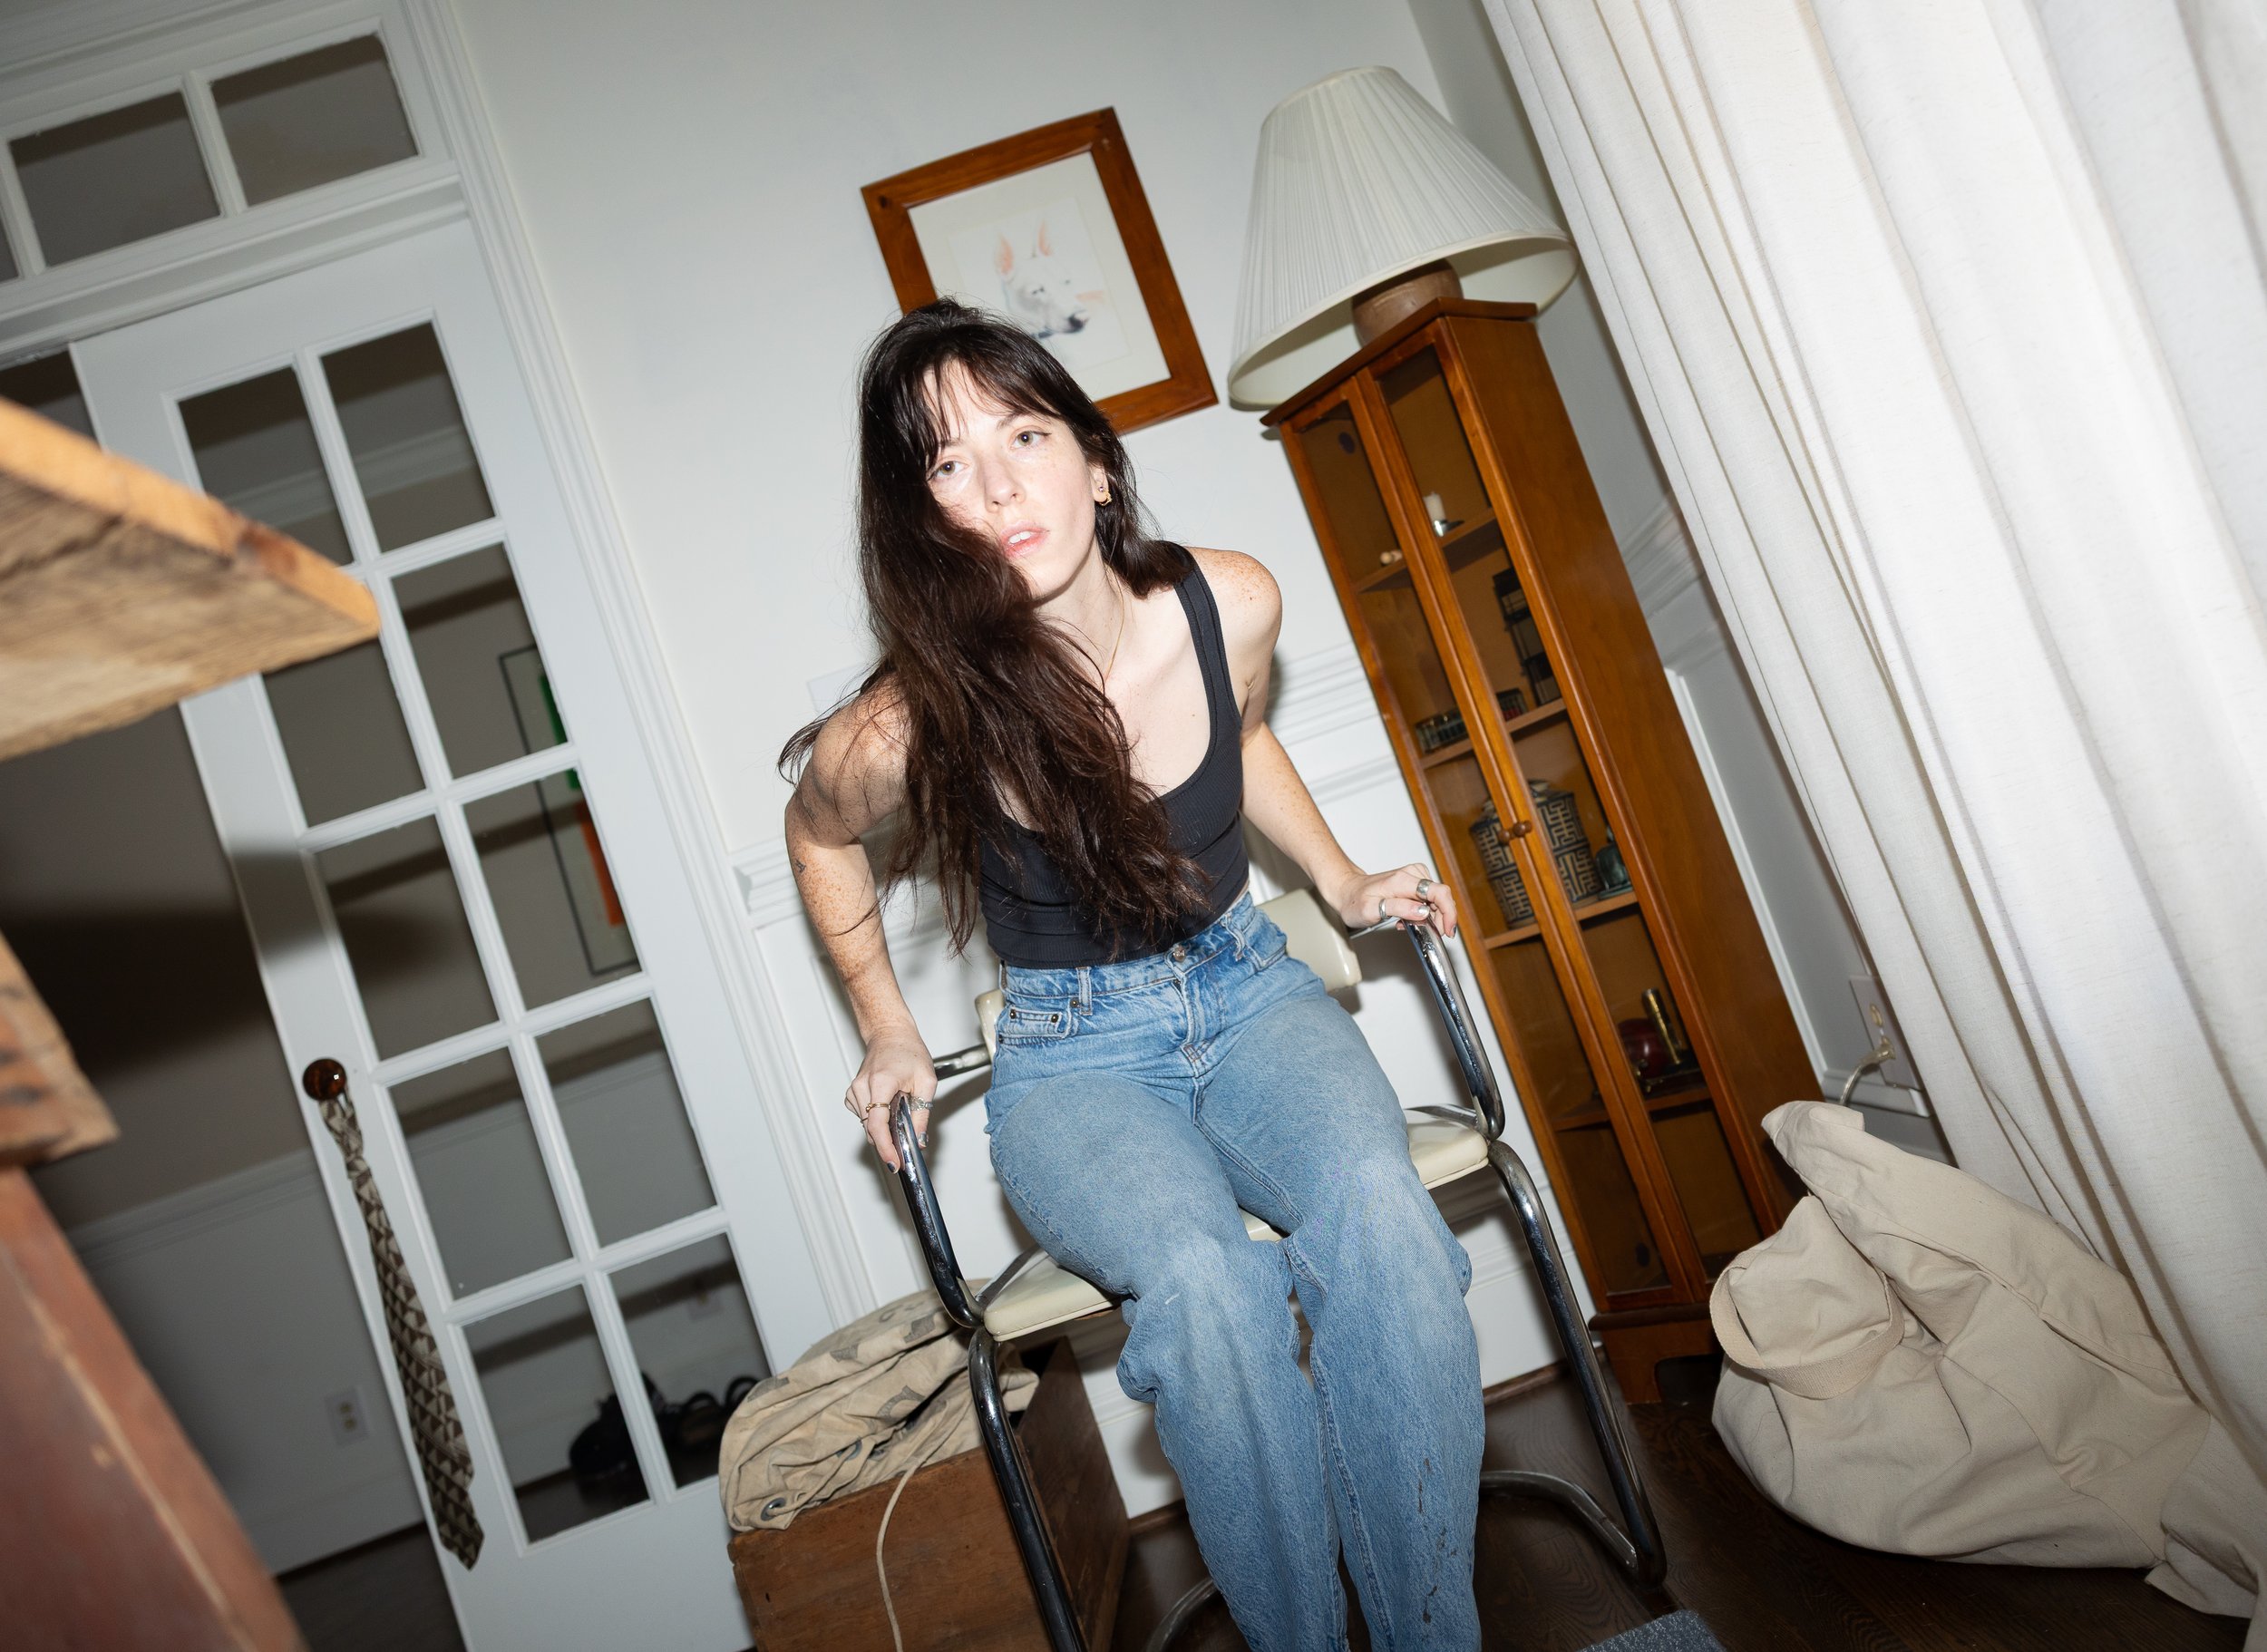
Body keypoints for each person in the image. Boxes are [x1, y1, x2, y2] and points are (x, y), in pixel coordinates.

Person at [780, 298, 1485, 1652]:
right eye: (947, 464)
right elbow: (818, 837)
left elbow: (1245, 732)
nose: (998, 487)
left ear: (1097, 463)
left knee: (1379, 1209)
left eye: (1024, 436)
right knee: (1205, 1287)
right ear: (925, 522)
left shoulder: (1230, 600)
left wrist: (1340, 880)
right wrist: (886, 1027)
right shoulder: (907, 724)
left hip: (1251, 988)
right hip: (1074, 1058)